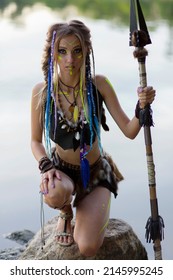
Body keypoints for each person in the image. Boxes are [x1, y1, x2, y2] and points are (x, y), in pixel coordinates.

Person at [31, 20, 155, 257]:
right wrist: (46, 166)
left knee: (87, 246)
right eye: (63, 51)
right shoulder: (42, 91)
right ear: (52, 54)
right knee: (54, 192)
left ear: (87, 52)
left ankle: (89, 209)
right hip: (61, 170)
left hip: (96, 172)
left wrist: (142, 107)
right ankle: (67, 211)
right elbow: (35, 141)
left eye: (77, 51)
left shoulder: (99, 85)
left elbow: (130, 131)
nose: (70, 60)